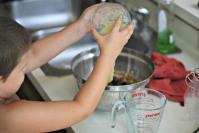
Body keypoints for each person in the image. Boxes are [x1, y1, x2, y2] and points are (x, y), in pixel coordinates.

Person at [0, 4, 134, 133]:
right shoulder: (8, 118)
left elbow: (34, 55)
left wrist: (82, 26)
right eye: (22, 69)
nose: (26, 68)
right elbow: (81, 109)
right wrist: (108, 55)